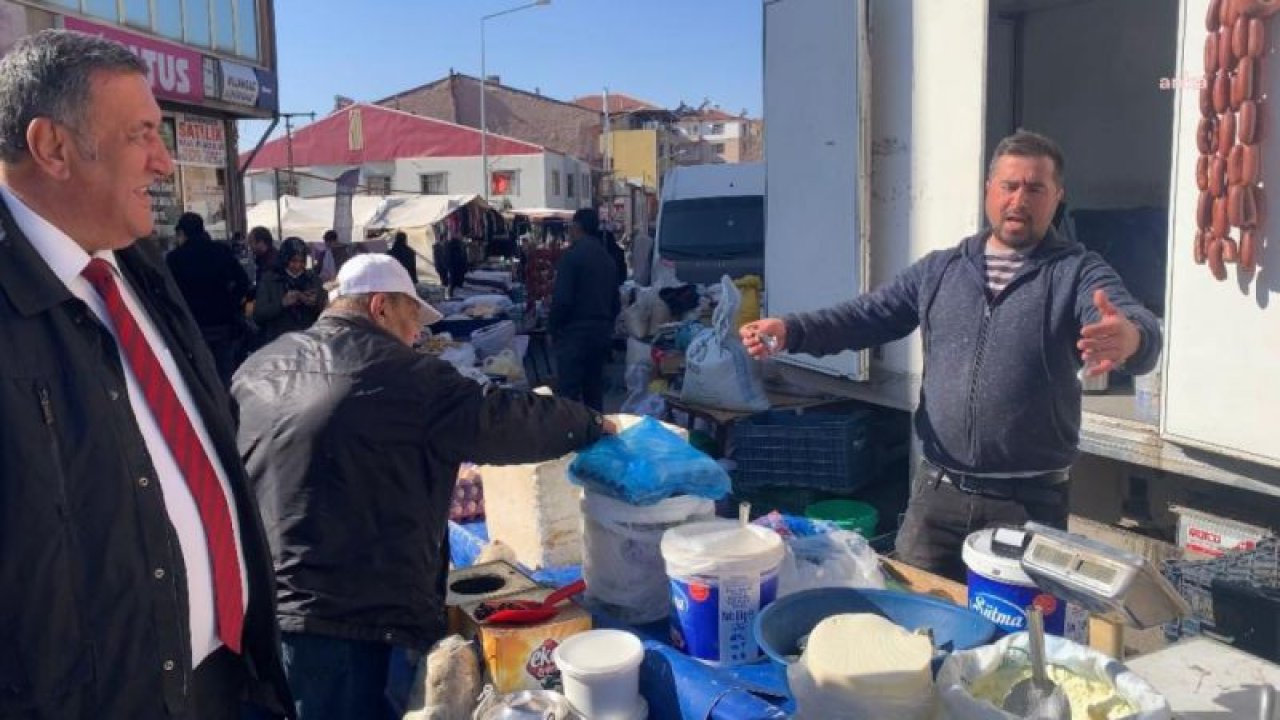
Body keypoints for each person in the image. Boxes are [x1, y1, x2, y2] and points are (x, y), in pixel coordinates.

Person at [0, 29, 291, 718]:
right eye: (142, 135)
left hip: (231, 676)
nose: (163, 164)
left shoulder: (134, 260)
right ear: (54, 148)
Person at [741, 130, 1162, 581]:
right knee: (915, 618)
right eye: (1009, 185)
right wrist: (792, 330)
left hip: (1028, 504)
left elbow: (1133, 320)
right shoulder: (941, 270)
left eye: (1035, 188)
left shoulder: (1077, 270)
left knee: (1014, 639)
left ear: (1057, 197)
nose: (1019, 199)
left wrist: (1131, 338)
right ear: (989, 192)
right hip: (937, 495)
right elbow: (866, 316)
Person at [233, 254, 614, 720]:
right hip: (351, 619)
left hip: (259, 606)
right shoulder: (407, 377)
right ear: (380, 307)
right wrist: (594, 423)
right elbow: (505, 421)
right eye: (413, 318)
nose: (417, 336)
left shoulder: (258, 365)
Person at [166, 211, 251, 387]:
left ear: (182, 233)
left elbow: (169, 295)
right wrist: (231, 303)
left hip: (192, 327)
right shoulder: (221, 251)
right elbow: (244, 282)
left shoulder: (174, 259)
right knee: (224, 375)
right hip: (223, 325)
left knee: (198, 379)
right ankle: (228, 411)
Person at [550, 208, 622, 411]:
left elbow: (562, 300)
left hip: (575, 333)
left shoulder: (572, 257)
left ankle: (571, 439)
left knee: (569, 396)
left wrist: (553, 328)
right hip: (600, 333)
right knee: (593, 392)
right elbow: (615, 302)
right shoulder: (607, 259)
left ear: (577, 227)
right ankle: (595, 435)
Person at [253, 236, 327, 346]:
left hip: (308, 342)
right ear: (285, 259)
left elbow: (326, 312)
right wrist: (282, 303)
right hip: (278, 342)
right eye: (293, 261)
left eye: (302, 261)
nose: (298, 266)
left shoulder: (313, 279)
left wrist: (315, 303)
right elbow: (258, 315)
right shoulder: (270, 280)